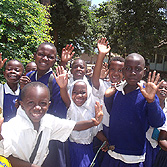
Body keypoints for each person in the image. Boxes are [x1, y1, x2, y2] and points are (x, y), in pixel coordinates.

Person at [0, 82, 103, 167]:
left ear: (48, 105)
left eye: (42, 103)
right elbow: (5, 156)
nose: (37, 107)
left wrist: (93, 122)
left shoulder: (48, 121)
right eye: (31, 102)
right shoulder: (11, 127)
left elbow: (73, 126)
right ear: (22, 104)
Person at [100, 53, 165, 167]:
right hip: (113, 152)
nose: (133, 72)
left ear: (144, 72)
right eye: (129, 68)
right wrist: (107, 98)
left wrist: (151, 101)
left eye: (138, 69)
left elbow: (158, 122)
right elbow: (114, 114)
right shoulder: (117, 91)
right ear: (123, 70)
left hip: (133, 157)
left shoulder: (147, 94)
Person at [19, 42, 70, 167]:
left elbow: (62, 111)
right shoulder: (28, 76)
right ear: (35, 56)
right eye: (41, 54)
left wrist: (63, 88)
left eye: (50, 57)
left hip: (49, 138)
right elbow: (21, 105)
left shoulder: (56, 79)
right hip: (28, 134)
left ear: (54, 60)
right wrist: (22, 89)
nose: (45, 59)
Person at [54, 66, 108, 167]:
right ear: (71, 93)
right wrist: (62, 87)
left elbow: (95, 131)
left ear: (88, 93)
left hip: (88, 149)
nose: (79, 95)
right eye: (75, 92)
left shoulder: (92, 109)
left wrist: (105, 141)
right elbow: (65, 98)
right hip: (73, 148)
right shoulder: (71, 108)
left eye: (83, 92)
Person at [144, 81, 167, 167]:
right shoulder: (148, 103)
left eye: (166, 88)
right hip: (144, 141)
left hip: (156, 147)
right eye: (161, 87)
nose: (163, 90)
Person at [0, 53, 24, 121]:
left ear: (22, 75)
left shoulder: (24, 92)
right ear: (4, 74)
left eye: (17, 70)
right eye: (9, 69)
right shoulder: (1, 89)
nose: (12, 72)